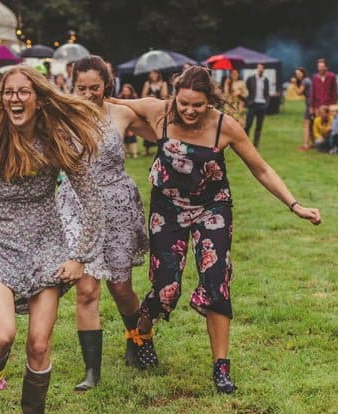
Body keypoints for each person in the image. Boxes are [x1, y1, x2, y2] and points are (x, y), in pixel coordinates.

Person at [109, 66, 321, 393]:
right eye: (184, 104)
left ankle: (221, 366)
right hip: (168, 209)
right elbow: (111, 102)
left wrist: (295, 206)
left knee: (217, 282)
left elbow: (261, 169)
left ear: (210, 99)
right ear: (174, 97)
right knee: (165, 290)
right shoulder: (158, 111)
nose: (190, 110)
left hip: (212, 208)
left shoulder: (225, 126)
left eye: (198, 105)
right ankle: (142, 333)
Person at [0, 64, 104, 414]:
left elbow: (92, 202)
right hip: (0, 244)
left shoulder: (56, 139)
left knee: (38, 343)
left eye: (23, 92)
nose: (15, 98)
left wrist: (79, 256)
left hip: (46, 246)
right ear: (2, 99)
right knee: (2, 336)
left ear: (37, 98)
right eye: (9, 92)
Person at [55, 56, 153, 391]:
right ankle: (91, 371)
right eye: (81, 88)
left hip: (117, 205)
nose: (87, 94)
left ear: (106, 85)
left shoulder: (122, 113)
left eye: (94, 87)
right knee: (86, 288)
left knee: (121, 287)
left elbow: (162, 126)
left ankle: (139, 339)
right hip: (77, 205)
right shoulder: (63, 115)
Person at [141, 70, 168, 156]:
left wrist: (160, 88)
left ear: (158, 74)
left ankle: (161, 147)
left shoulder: (163, 83)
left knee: (160, 126)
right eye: (151, 74)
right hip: (150, 107)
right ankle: (147, 149)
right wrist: (150, 96)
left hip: (160, 107)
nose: (152, 75)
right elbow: (143, 96)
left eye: (154, 74)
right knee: (148, 126)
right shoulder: (147, 84)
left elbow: (165, 96)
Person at [244, 63, 270, 148]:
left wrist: (266, 103)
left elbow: (267, 93)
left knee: (259, 125)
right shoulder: (251, 78)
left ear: (264, 70)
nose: (260, 70)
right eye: (259, 68)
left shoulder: (265, 80)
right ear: (257, 69)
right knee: (248, 124)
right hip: (252, 104)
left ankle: (256, 144)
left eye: (262, 68)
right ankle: (245, 143)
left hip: (262, 105)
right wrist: (248, 101)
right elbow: (245, 90)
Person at [119, 83, 139, 158]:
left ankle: (134, 153)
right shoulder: (120, 98)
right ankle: (126, 153)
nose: (125, 92)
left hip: (132, 118)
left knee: (132, 136)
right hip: (123, 119)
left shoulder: (134, 98)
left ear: (131, 91)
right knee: (125, 137)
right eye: (124, 91)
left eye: (127, 90)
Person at [294, 67, 313, 150]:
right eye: (296, 74)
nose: (297, 75)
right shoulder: (307, 80)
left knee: (306, 124)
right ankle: (314, 143)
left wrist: (294, 83)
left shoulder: (305, 81)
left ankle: (305, 145)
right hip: (311, 104)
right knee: (311, 125)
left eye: (299, 73)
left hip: (310, 105)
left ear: (303, 73)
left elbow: (299, 92)